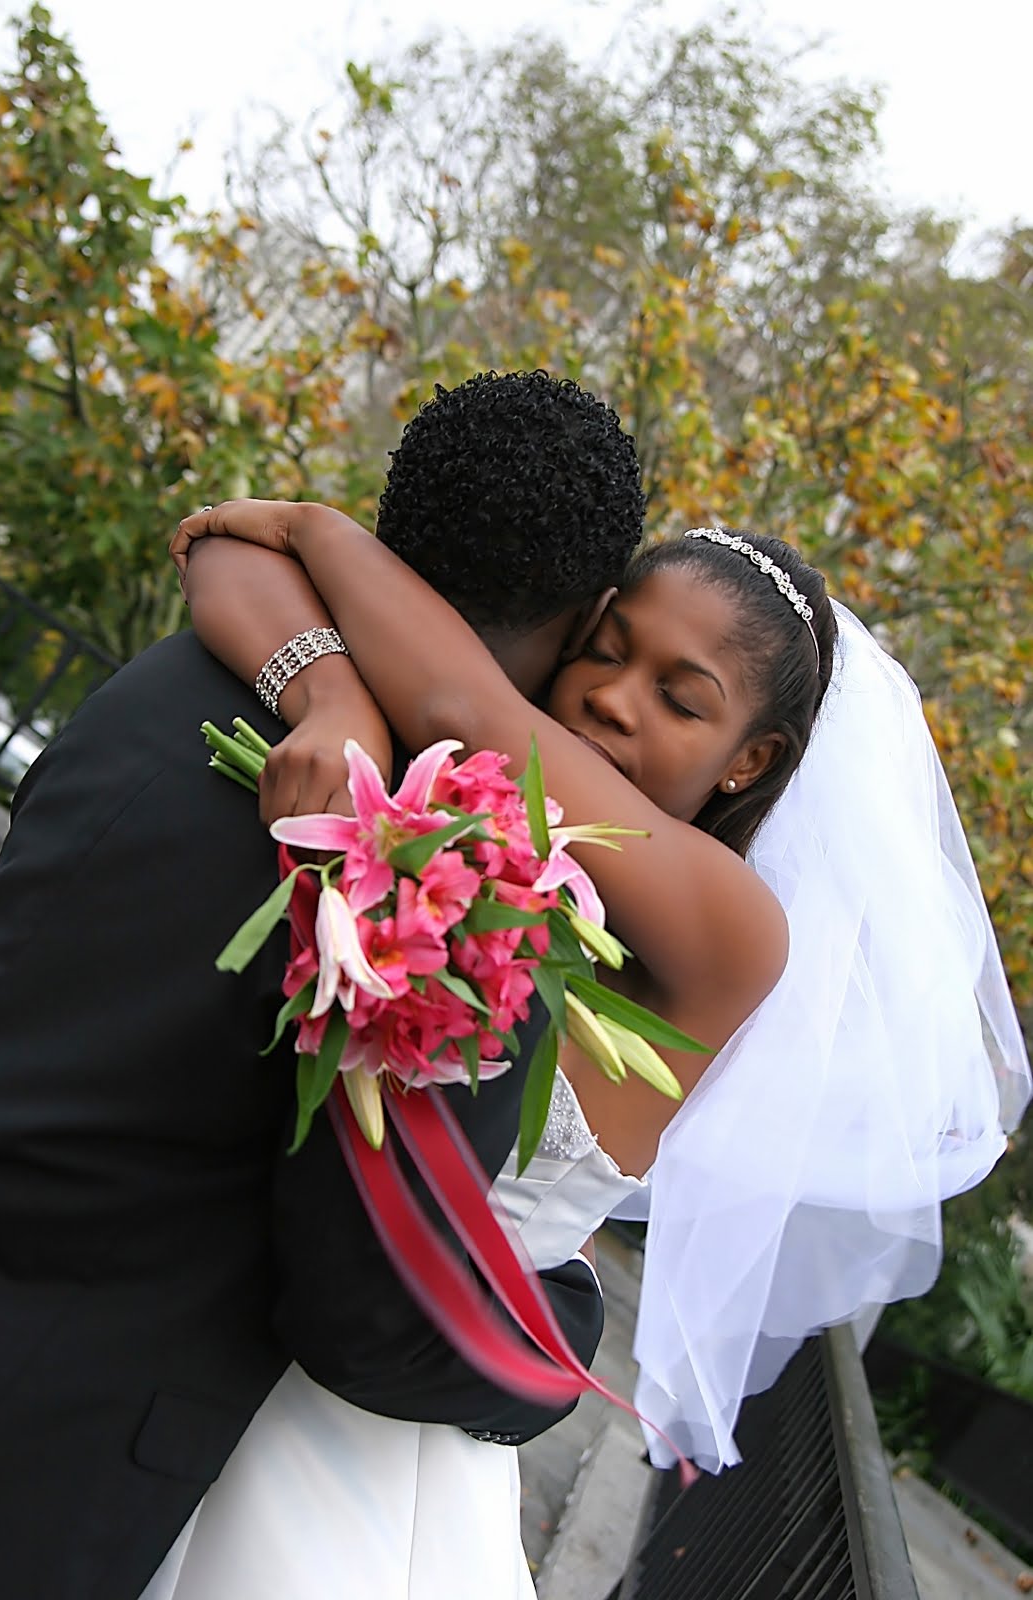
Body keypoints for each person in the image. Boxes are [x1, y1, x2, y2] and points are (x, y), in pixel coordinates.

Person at [173, 492, 1029, 1548]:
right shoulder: (477, 795)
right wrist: (333, 696)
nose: (614, 701)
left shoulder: (735, 931)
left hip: (368, 1428)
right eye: (607, 650)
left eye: (680, 698)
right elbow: (217, 554)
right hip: (204, 1324)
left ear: (750, 760)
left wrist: (315, 524)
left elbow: (464, 702)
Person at [0, 371, 647, 1600]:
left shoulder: (188, 674)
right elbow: (366, 1316)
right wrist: (559, 1337)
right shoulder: (442, 886)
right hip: (42, 1449)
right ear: (592, 609)